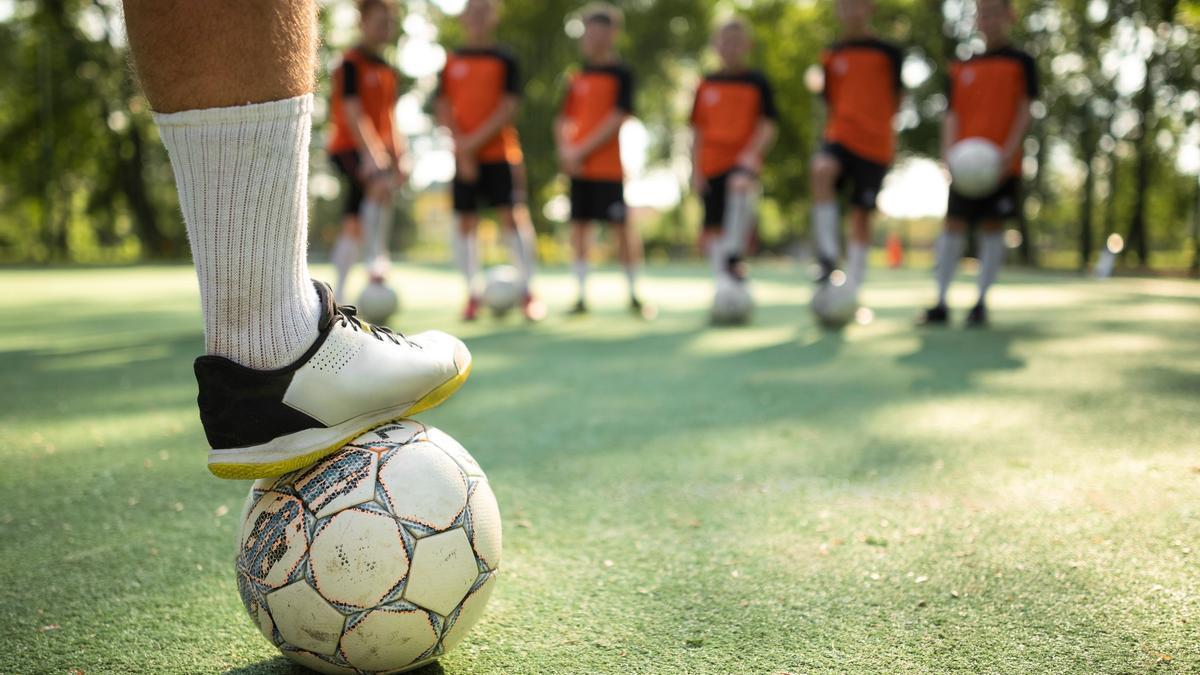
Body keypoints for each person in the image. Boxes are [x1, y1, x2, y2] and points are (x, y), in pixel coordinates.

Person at [120, 0, 471, 479]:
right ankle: (279, 346)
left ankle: (258, 351)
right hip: (353, 151)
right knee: (355, 222)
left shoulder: (386, 69)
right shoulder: (354, 66)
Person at [921, 0, 1036, 327]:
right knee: (953, 226)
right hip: (964, 166)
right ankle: (941, 302)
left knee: (992, 227)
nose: (989, 20)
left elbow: (1026, 109)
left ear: (1009, 16)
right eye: (983, 13)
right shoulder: (960, 66)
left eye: (995, 12)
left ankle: (981, 302)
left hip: (1000, 166)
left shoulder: (1022, 62)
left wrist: (1007, 153)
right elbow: (952, 113)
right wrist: (948, 156)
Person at [436, 0, 544, 322]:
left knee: (513, 217)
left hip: (500, 155)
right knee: (466, 222)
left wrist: (472, 145)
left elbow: (508, 108)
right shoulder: (451, 61)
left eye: (486, 11)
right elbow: (443, 107)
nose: (479, 18)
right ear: (464, 16)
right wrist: (462, 149)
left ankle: (528, 293)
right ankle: (472, 295)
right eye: (474, 11)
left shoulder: (505, 59)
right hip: (463, 157)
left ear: (494, 17)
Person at [555, 3, 652, 318]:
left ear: (613, 34)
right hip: (578, 169)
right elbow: (562, 119)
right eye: (588, 31)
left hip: (608, 168)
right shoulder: (576, 75)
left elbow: (617, 117)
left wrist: (581, 149)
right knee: (579, 229)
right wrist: (567, 151)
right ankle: (580, 295)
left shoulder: (622, 74)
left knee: (621, 229)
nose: (592, 38)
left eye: (599, 31)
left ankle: (635, 293)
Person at [809, 0, 903, 297]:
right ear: (838, 11)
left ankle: (854, 288)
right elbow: (829, 102)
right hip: (839, 136)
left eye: (857, 5)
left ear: (870, 8)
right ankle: (827, 257)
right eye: (845, 5)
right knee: (821, 170)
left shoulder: (888, 53)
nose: (851, 10)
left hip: (874, 144)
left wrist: (887, 134)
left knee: (860, 216)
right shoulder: (831, 53)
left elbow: (898, 99)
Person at [327, 0, 408, 302]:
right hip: (348, 146)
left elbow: (389, 118)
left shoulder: (388, 69)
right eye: (379, 20)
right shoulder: (349, 63)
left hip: (376, 150)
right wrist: (372, 153)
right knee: (378, 187)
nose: (385, 27)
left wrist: (399, 154)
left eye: (389, 21)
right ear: (362, 21)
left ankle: (340, 293)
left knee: (354, 219)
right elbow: (352, 111)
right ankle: (376, 261)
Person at [690, 18, 778, 287]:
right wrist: (694, 171)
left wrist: (752, 154)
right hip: (711, 164)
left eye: (737, 42)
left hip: (742, 161)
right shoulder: (705, 84)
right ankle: (723, 283)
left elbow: (767, 125)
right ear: (715, 45)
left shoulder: (757, 81)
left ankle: (733, 259)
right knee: (714, 226)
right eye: (725, 41)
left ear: (747, 46)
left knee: (739, 188)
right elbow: (697, 131)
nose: (730, 47)